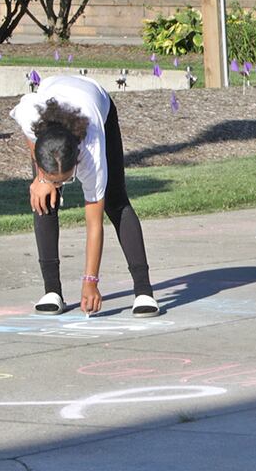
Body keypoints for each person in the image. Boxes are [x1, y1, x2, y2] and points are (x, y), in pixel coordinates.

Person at [10, 74, 158, 316]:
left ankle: (144, 291)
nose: (63, 184)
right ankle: (52, 291)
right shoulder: (31, 114)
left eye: (67, 178)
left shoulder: (91, 148)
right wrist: (42, 179)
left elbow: (94, 223)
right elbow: (29, 136)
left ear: (78, 158)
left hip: (97, 103)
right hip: (51, 107)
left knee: (115, 201)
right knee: (44, 198)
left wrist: (90, 282)